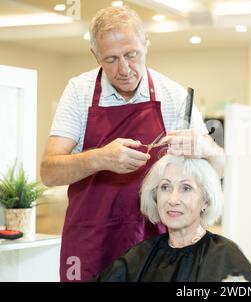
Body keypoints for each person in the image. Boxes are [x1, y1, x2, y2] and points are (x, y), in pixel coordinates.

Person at [40, 6, 225, 282]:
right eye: (111, 59)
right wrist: (101, 159)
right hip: (90, 241)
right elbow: (49, 172)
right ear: (95, 55)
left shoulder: (172, 96)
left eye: (131, 55)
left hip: (156, 243)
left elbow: (219, 168)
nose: (124, 69)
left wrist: (206, 148)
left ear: (145, 44)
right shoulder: (79, 92)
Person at [94, 155, 251, 282]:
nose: (173, 200)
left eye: (186, 188)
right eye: (165, 187)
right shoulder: (140, 256)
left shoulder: (225, 255)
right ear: (155, 196)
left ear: (206, 200)